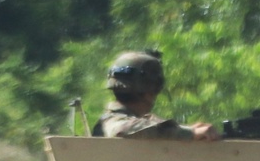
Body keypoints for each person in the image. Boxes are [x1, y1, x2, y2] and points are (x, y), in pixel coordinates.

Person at [92, 50, 220, 140]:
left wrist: (186, 129)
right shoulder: (112, 121)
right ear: (150, 91)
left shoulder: (133, 120)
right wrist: (189, 133)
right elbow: (123, 129)